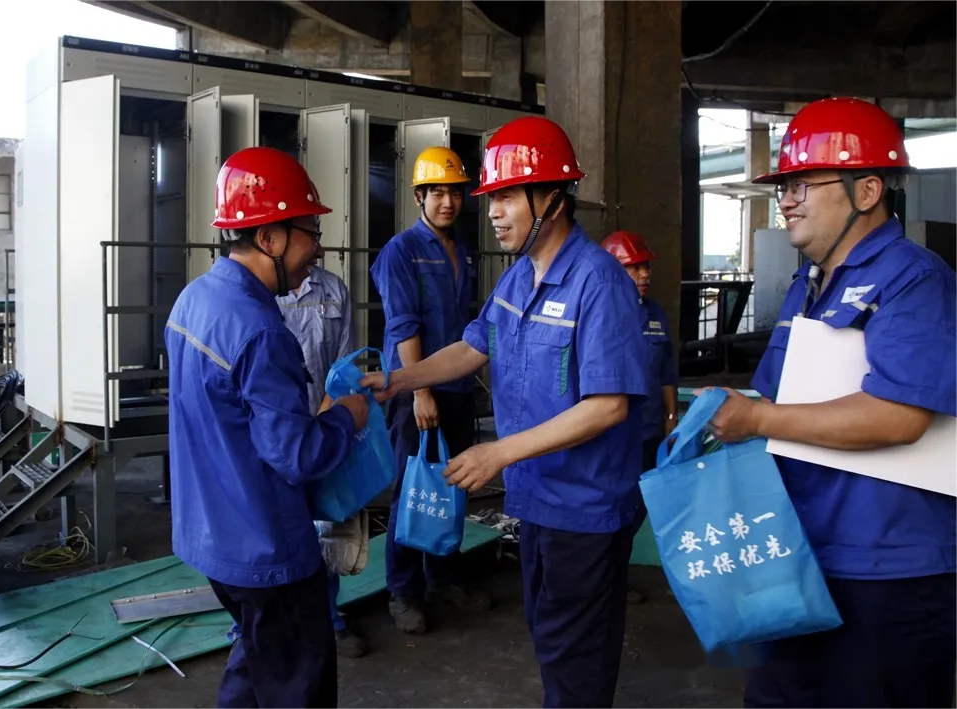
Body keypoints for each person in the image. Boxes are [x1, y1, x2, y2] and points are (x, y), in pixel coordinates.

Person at [362, 116, 650, 708]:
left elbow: (608, 406)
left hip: (584, 509)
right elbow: (473, 347)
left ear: (553, 199)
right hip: (536, 499)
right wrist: (398, 380)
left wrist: (498, 452)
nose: (492, 212)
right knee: (552, 640)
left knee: (577, 655)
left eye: (508, 197)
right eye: (491, 198)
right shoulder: (519, 278)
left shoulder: (599, 283)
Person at [702, 97, 957, 708]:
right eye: (783, 186)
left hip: (888, 566)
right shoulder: (807, 283)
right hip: (801, 550)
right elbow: (778, 395)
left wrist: (757, 418)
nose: (786, 200)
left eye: (802, 185)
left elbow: (899, 415)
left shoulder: (915, 279)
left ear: (867, 190)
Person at [165, 146, 369, 709]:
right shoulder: (262, 331)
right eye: (310, 233)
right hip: (267, 548)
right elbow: (298, 456)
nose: (318, 248)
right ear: (270, 237)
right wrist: (347, 416)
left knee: (258, 660)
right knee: (297, 682)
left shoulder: (192, 301)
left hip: (212, 536)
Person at [369, 145, 490, 635]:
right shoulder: (401, 251)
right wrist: (420, 392)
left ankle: (443, 578)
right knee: (412, 486)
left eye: (455, 193)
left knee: (452, 485)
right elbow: (404, 325)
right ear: (419, 196)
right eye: (437, 192)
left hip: (456, 385)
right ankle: (403, 591)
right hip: (415, 391)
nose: (448, 202)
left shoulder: (462, 250)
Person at [225, 262, 367, 659]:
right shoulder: (253, 296)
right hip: (268, 438)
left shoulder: (333, 290)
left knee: (325, 529)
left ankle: (327, 618)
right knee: (264, 534)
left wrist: (327, 417)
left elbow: (343, 363)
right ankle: (246, 628)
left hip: (323, 429)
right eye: (310, 235)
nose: (317, 246)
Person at [601, 230, 679, 605]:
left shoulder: (656, 314)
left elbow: (667, 371)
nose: (645, 273)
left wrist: (671, 416)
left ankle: (614, 578)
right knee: (610, 510)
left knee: (637, 508)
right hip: (612, 435)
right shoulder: (598, 313)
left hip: (649, 431)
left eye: (646, 266)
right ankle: (601, 582)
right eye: (634, 267)